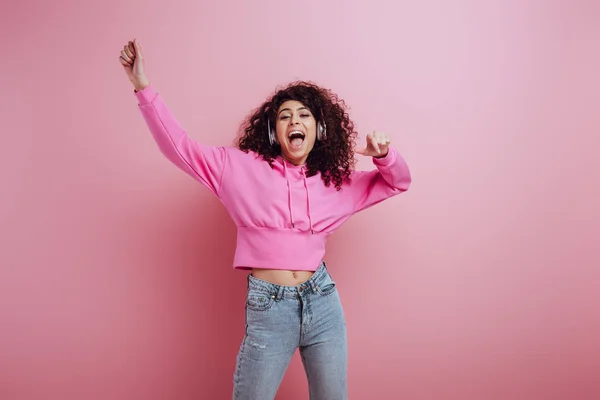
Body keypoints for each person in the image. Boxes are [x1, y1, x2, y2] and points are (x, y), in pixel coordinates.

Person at [119, 38, 411, 400]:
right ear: (275, 130)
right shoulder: (238, 168)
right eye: (285, 115)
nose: (295, 120)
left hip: (322, 302)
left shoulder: (337, 182)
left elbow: (398, 182)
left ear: (319, 129)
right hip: (270, 307)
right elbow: (178, 147)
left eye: (304, 114)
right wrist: (143, 88)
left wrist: (384, 155)